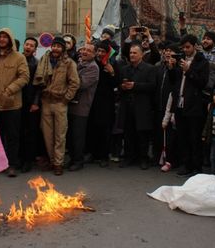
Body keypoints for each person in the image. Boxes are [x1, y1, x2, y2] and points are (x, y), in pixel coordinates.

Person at [0, 28, 29, 177]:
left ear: (10, 40)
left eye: (5, 37)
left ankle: (12, 164)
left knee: (12, 136)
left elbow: (24, 77)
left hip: (12, 103)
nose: (2, 39)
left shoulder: (19, 57)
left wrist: (9, 90)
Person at [33, 36, 80, 176]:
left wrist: (66, 98)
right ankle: (53, 161)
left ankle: (59, 163)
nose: (56, 48)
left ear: (63, 49)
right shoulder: (44, 60)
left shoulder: (69, 63)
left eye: (59, 46)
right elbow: (38, 80)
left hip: (60, 103)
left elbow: (75, 83)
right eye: (54, 46)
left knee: (60, 135)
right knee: (47, 135)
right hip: (46, 101)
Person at [167, 34, 209, 177]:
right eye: (183, 47)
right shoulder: (181, 59)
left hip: (194, 104)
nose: (185, 50)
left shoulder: (202, 61)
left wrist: (189, 70)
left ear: (195, 46)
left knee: (194, 137)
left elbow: (202, 82)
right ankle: (186, 164)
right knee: (182, 136)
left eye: (188, 47)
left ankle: (197, 166)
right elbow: (174, 81)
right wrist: (171, 68)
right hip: (180, 103)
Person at [118, 43, 157, 170]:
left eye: (135, 53)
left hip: (142, 106)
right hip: (127, 106)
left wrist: (135, 86)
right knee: (128, 133)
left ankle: (143, 158)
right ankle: (129, 157)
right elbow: (119, 85)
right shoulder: (125, 69)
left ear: (141, 54)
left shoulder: (149, 69)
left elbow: (152, 86)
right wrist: (122, 87)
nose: (132, 55)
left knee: (142, 135)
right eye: (130, 53)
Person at [67, 43, 99, 171]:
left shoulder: (93, 68)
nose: (84, 52)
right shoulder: (79, 63)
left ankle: (78, 161)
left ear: (94, 54)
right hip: (71, 105)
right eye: (84, 49)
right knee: (70, 135)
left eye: (89, 51)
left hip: (81, 107)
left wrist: (68, 77)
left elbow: (80, 84)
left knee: (78, 136)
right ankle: (72, 158)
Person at [89, 39, 119, 168]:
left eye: (103, 51)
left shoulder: (112, 64)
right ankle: (93, 154)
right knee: (93, 129)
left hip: (107, 102)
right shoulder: (92, 63)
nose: (100, 53)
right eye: (98, 51)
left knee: (105, 130)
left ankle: (104, 156)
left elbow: (117, 84)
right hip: (93, 101)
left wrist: (112, 72)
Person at [19, 37, 45, 173]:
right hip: (17, 102)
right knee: (18, 131)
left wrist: (35, 102)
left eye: (31, 46)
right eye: (27, 44)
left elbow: (39, 86)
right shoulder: (18, 60)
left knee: (30, 133)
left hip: (31, 103)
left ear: (35, 50)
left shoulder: (36, 64)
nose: (28, 47)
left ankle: (28, 160)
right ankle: (19, 158)